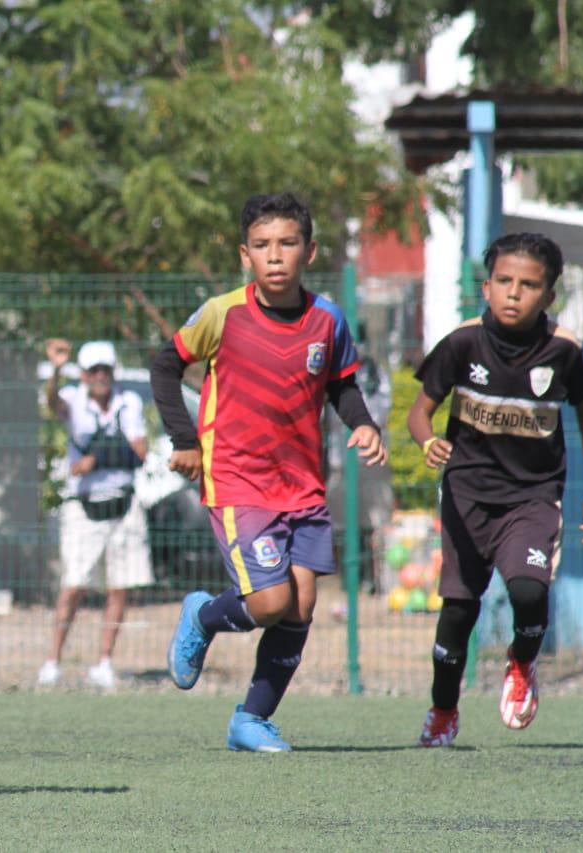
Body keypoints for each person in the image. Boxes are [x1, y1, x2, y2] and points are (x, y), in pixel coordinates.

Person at [152, 192, 385, 752]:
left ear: (310, 251)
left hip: (302, 485)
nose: (275, 255)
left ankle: (250, 720)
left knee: (300, 607)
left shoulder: (328, 319)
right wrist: (185, 441)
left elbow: (342, 385)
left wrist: (364, 424)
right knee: (269, 604)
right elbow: (165, 366)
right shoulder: (222, 314)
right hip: (238, 481)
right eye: (261, 245)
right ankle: (204, 616)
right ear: (245, 255)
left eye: (287, 243)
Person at [410, 233, 583, 747]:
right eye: (504, 281)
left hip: (533, 497)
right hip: (466, 496)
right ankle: (443, 710)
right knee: (458, 611)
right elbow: (420, 412)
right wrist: (427, 442)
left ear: (548, 295)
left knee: (529, 592)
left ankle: (522, 660)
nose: (514, 292)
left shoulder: (564, 350)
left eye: (528, 285)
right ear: (486, 287)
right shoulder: (462, 343)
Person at [37, 338, 151, 691]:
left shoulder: (129, 402)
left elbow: (140, 452)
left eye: (105, 369)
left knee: (119, 586)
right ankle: (53, 661)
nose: (100, 376)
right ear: (84, 375)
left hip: (123, 504)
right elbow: (52, 403)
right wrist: (56, 370)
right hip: (84, 506)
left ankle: (104, 662)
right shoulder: (73, 399)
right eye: (93, 370)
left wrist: (97, 458)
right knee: (73, 585)